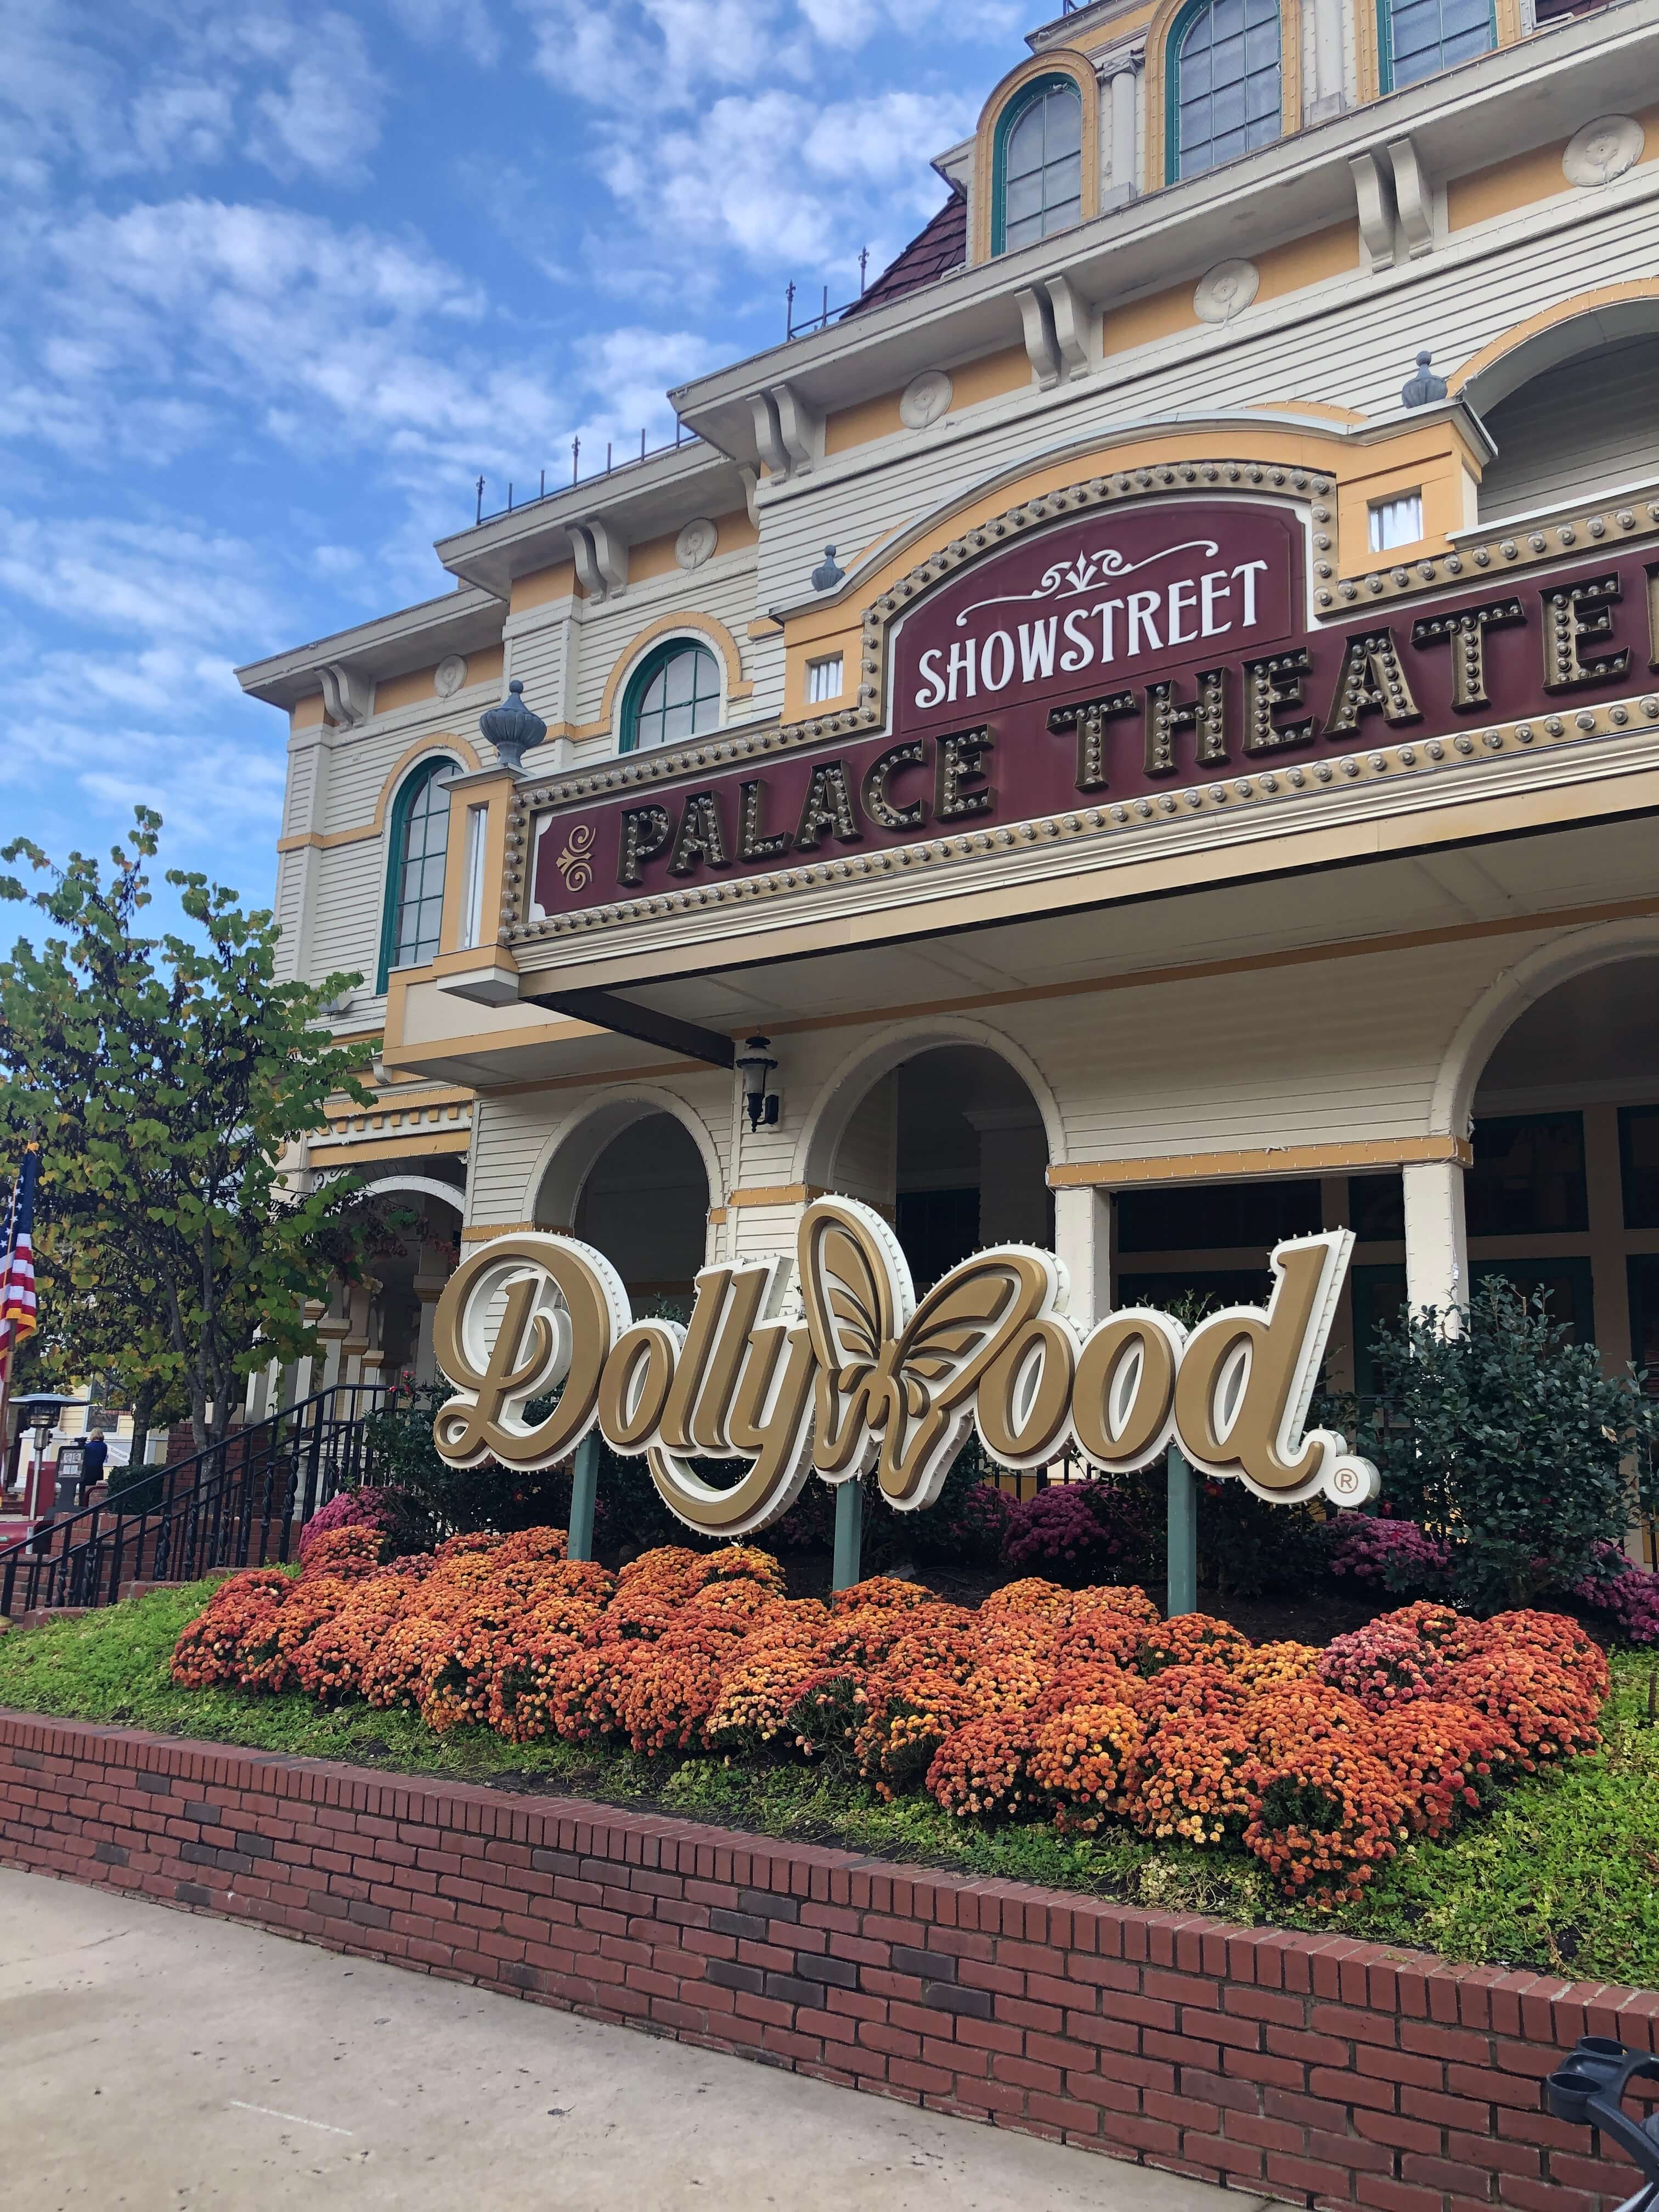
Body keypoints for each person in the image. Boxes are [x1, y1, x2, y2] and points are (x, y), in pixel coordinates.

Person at [80, 1426, 108, 1500]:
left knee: (84, 1490)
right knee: (96, 1490)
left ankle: (82, 1505)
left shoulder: (88, 1446)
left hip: (87, 1471)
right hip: (98, 1470)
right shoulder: (104, 1446)